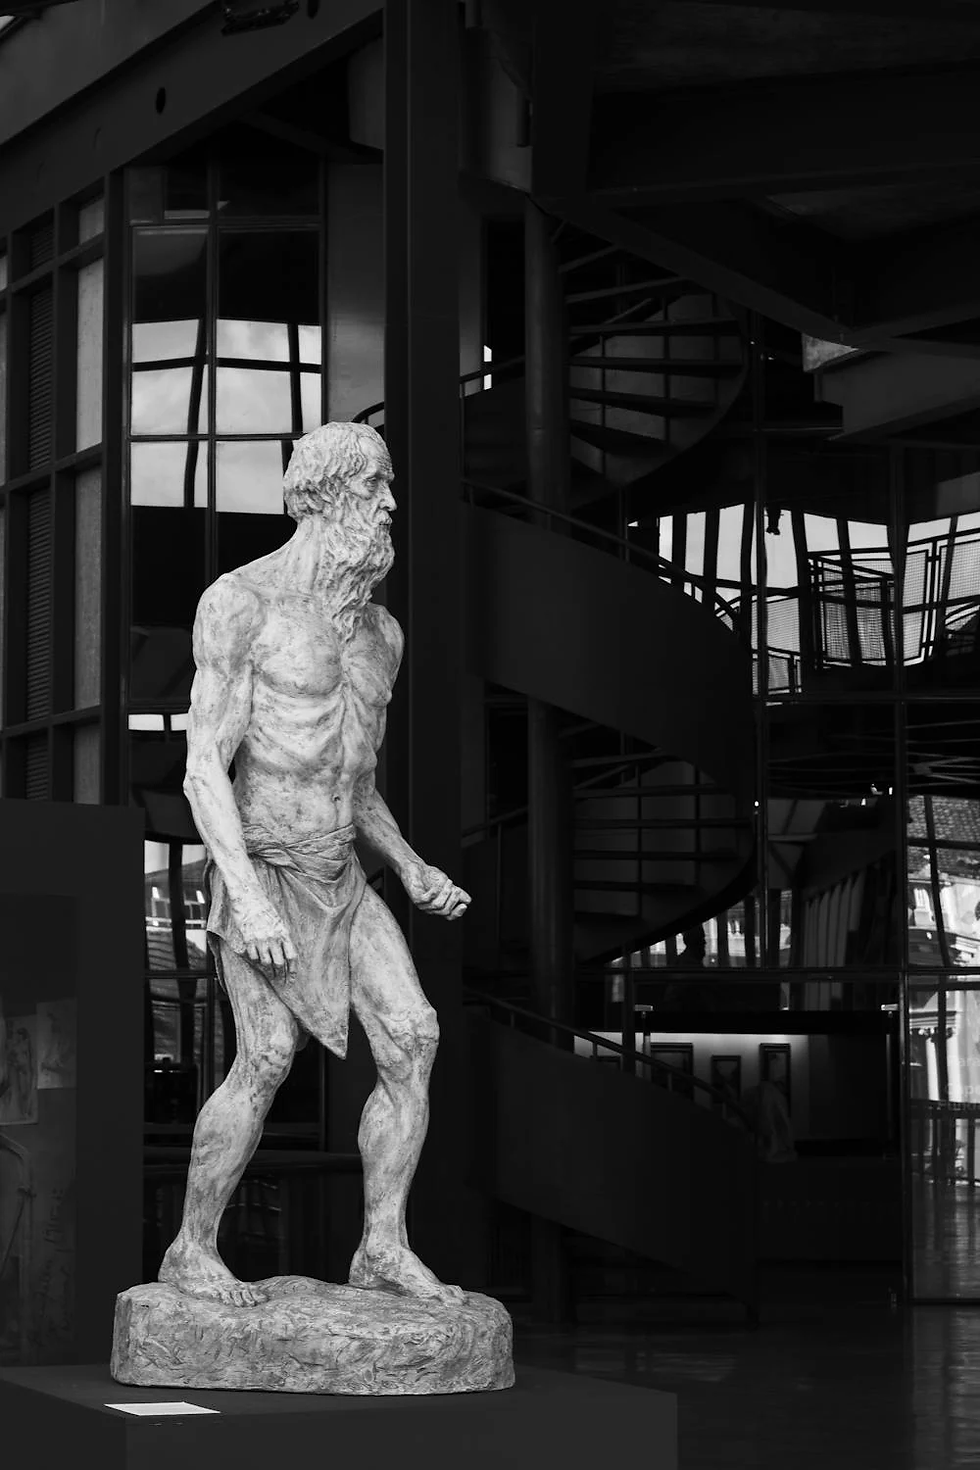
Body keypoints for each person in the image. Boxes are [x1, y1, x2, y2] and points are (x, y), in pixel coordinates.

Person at [158, 421, 471, 1309]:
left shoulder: (381, 636)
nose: (390, 506)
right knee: (264, 1057)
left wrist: (408, 868)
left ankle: (380, 1247)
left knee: (413, 1039)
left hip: (342, 874)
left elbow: (352, 781)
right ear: (329, 494)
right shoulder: (241, 603)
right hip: (263, 871)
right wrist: (246, 899)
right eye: (377, 488)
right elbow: (202, 765)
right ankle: (190, 1251)